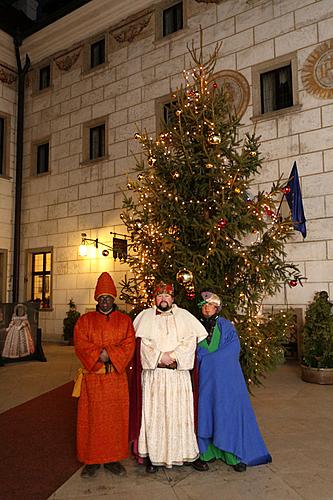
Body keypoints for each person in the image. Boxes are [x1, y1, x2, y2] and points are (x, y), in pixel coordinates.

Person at [133, 281, 208, 473]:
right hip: (154, 376)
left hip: (177, 376)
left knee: (180, 415)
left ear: (172, 298)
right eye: (160, 296)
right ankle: (153, 455)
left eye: (167, 296)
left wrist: (173, 357)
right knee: (154, 415)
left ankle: (187, 453)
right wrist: (159, 357)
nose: (163, 299)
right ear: (154, 298)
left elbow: (190, 341)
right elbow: (141, 343)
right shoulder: (145, 316)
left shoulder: (184, 316)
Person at [196, 291, 272, 472]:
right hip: (204, 382)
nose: (207, 309)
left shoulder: (226, 326)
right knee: (205, 413)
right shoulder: (194, 327)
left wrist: (206, 361)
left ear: (217, 308)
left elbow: (232, 350)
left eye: (210, 306)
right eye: (204, 306)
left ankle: (230, 452)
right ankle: (207, 453)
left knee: (225, 413)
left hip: (225, 380)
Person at [72, 272, 135, 478]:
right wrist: (101, 354)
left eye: (108, 297)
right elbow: (81, 344)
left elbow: (129, 345)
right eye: (102, 297)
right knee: (91, 420)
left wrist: (111, 354)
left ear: (114, 298)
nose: (105, 301)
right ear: (97, 299)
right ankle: (91, 460)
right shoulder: (85, 320)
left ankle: (113, 458)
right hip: (93, 379)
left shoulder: (125, 321)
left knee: (115, 421)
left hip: (116, 380)